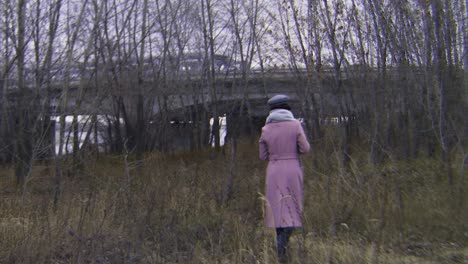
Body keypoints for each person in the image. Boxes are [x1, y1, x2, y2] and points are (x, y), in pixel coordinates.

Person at [259, 94, 310, 263]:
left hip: (273, 171)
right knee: (292, 211)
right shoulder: (295, 125)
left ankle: (280, 252)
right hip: (292, 170)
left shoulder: (266, 129)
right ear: (287, 108)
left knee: (278, 213)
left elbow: (262, 155)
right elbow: (305, 148)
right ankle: (281, 252)